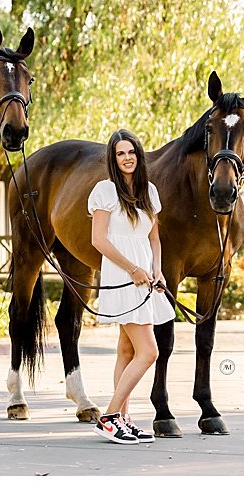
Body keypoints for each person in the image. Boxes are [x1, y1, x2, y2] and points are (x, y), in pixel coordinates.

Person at [87, 129, 175, 445]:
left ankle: (123, 419)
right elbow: (98, 240)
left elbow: (153, 238)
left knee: (127, 350)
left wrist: (157, 271)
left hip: (145, 278)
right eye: (120, 153)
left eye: (131, 152)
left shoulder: (149, 192)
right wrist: (133, 269)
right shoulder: (104, 191)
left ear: (139, 155)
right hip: (122, 276)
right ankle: (110, 416)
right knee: (149, 351)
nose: (127, 158)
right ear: (113, 159)